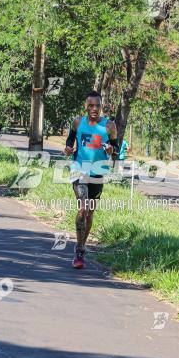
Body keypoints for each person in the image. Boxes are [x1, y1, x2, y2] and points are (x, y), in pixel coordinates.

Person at [63, 91, 118, 269]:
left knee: (90, 213)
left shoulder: (109, 126)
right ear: (86, 106)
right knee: (83, 209)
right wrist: (68, 148)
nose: (94, 109)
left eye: (97, 106)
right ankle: (79, 251)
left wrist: (111, 150)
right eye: (91, 105)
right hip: (79, 169)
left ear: (101, 107)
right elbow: (70, 138)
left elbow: (115, 147)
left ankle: (81, 246)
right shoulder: (78, 122)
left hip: (98, 172)